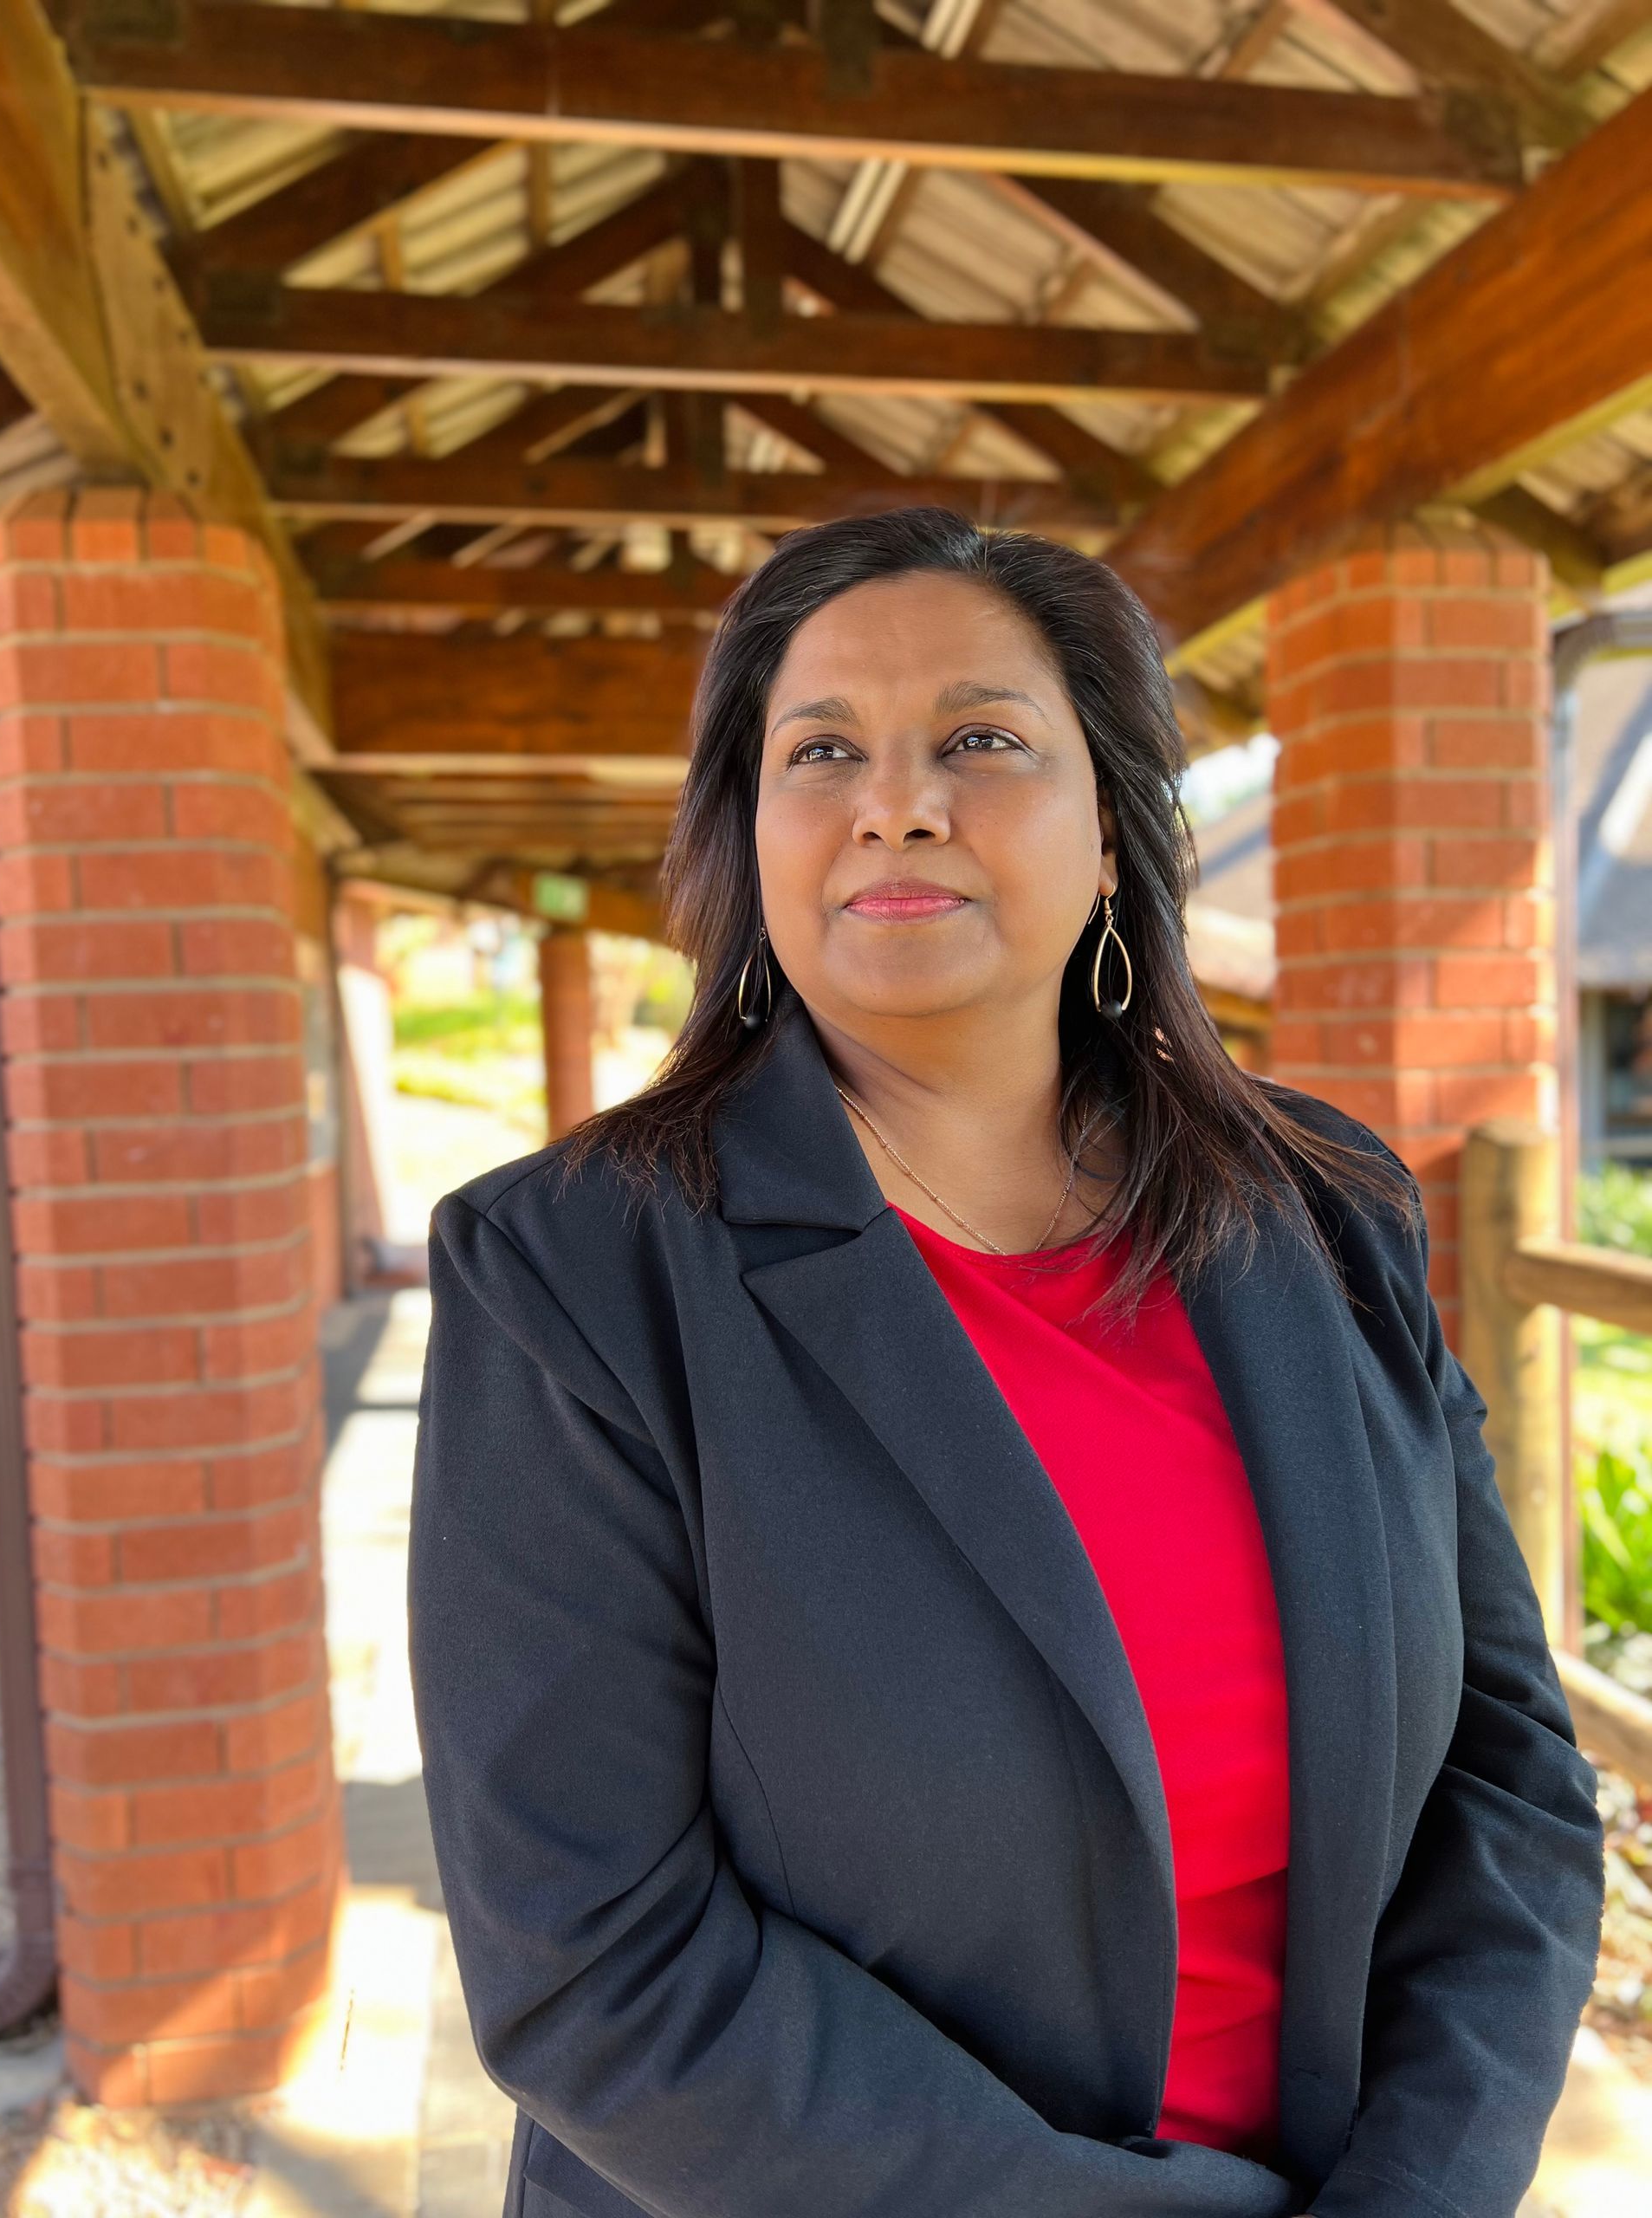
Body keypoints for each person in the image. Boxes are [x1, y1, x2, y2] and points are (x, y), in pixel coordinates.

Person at [407, 506, 1605, 2218]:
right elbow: (596, 1964)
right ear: (749, 838)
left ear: (1113, 832)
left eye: (982, 736)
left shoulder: (1331, 1214)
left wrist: (1418, 2187)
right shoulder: (575, 1276)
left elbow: (1515, 1783)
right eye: (822, 748)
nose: (898, 798)